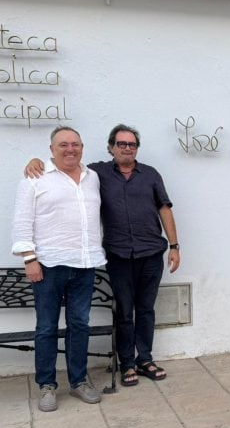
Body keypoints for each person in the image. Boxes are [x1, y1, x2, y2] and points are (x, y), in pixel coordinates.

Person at [26, 124, 180, 387]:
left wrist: (174, 246)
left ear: (137, 148)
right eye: (121, 144)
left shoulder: (151, 174)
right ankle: (126, 363)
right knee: (125, 311)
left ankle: (145, 359)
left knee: (146, 310)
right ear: (111, 147)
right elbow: (66, 164)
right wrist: (36, 161)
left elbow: (164, 209)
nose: (127, 148)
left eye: (131, 144)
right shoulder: (96, 174)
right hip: (118, 255)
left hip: (151, 253)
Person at [12, 126, 107, 412]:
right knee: (46, 328)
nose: (70, 149)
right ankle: (47, 385)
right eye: (63, 144)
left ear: (82, 147)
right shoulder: (35, 177)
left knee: (79, 325)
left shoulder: (93, 177)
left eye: (75, 144)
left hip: (84, 264)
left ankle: (78, 381)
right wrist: (29, 258)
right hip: (48, 266)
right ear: (51, 149)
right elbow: (22, 220)